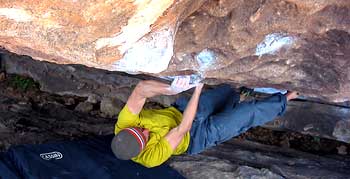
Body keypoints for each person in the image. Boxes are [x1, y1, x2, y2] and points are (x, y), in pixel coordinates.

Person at [111, 76, 298, 168]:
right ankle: (287, 98)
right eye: (145, 137)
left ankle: (238, 95)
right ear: (142, 149)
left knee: (227, 92)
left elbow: (141, 89)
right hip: (195, 137)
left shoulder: (124, 122)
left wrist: (172, 89)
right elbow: (183, 128)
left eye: (139, 129)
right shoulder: (151, 158)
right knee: (247, 114)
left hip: (180, 111)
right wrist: (197, 89)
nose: (145, 131)